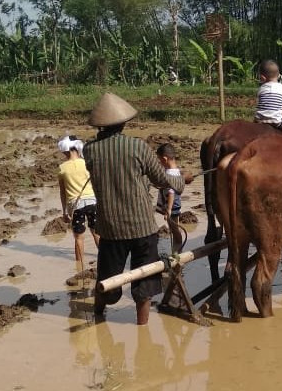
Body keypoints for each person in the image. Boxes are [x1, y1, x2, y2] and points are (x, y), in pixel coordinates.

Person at [83, 92, 192, 326]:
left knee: (107, 279)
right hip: (142, 226)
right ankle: (142, 330)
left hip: (110, 227)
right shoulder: (138, 147)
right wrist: (181, 182)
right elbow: (161, 179)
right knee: (145, 284)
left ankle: (98, 318)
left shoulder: (89, 150)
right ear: (124, 122)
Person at [57, 135, 99, 266]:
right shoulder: (87, 163)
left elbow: (63, 192)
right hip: (92, 202)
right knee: (97, 233)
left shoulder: (62, 168)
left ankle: (79, 266)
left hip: (76, 206)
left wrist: (64, 212)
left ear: (66, 151)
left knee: (79, 237)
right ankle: (105, 260)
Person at [254, 59, 282, 136]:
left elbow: (259, 104)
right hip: (276, 121)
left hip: (259, 120)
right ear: (279, 75)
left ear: (262, 78)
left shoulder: (261, 89)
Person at [156, 143, 184, 254]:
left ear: (164, 159)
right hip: (176, 206)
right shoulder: (176, 171)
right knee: (174, 228)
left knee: (174, 229)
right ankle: (177, 249)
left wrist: (168, 209)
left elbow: (171, 192)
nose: (159, 163)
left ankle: (177, 251)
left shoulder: (169, 174)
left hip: (171, 206)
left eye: (159, 160)